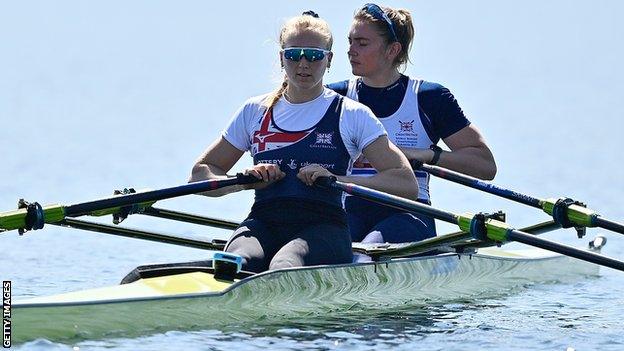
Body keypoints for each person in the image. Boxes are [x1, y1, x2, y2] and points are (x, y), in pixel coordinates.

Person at [189, 12, 418, 273]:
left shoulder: (352, 114)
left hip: (324, 228)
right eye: (294, 55)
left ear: (329, 60)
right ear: (281, 58)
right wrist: (243, 181)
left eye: (314, 55)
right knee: (238, 261)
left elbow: (405, 183)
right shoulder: (254, 111)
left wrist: (336, 179)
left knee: (284, 265)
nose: (304, 64)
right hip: (262, 222)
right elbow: (200, 175)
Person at [327, 4, 497, 248]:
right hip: (349, 210)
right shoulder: (335, 98)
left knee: (370, 247)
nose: (350, 50)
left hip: (409, 212)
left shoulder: (429, 98)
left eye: (362, 43)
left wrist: (427, 155)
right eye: (350, 41)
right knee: (338, 242)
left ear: (392, 50)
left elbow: (484, 165)